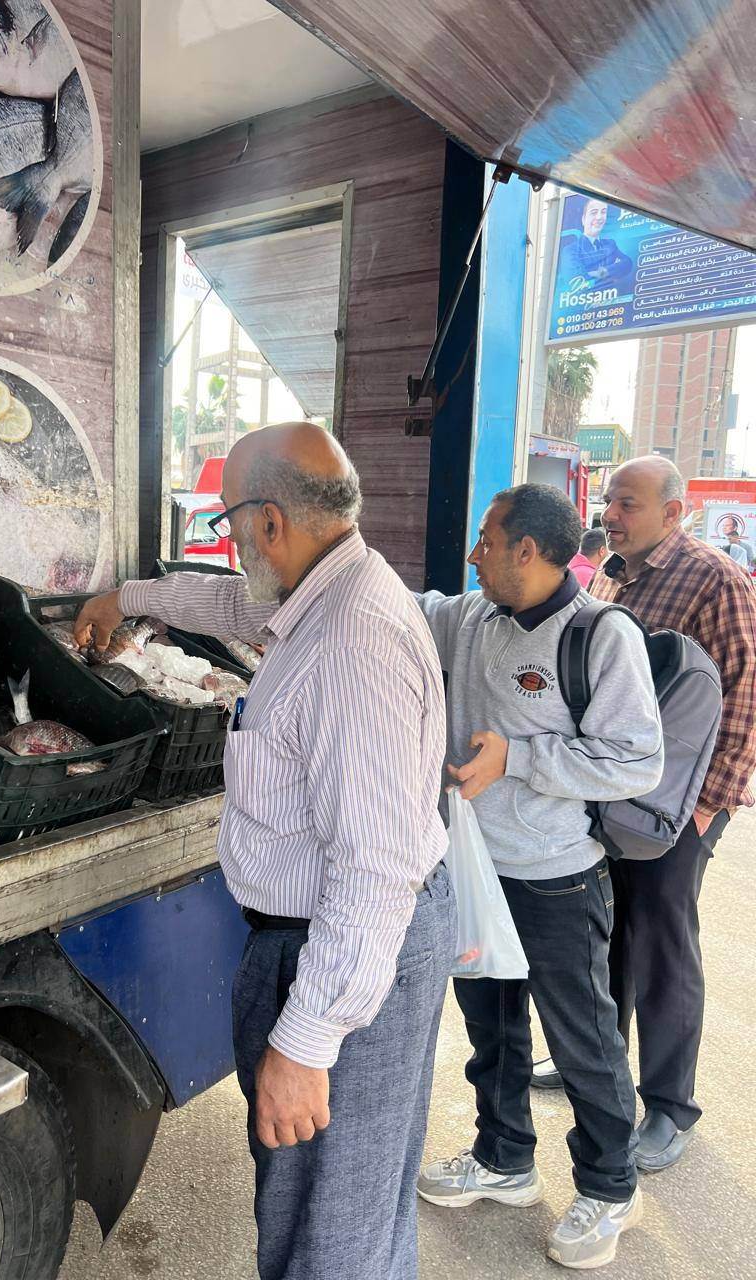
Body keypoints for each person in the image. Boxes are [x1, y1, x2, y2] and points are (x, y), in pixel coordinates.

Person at [75, 423, 457, 1280]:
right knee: (349, 1205)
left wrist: (309, 1039)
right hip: (324, 939)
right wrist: (127, 597)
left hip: (339, 948)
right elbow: (229, 607)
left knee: (328, 1227)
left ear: (271, 523)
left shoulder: (352, 642)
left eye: (228, 523)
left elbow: (374, 869)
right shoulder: (322, 585)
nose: (228, 540)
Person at [414, 484, 663, 1271]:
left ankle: (610, 1186)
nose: (472, 554)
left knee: (582, 1039)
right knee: (491, 1028)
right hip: (475, 867)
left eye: (486, 540)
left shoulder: (599, 635)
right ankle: (504, 1158)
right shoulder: (471, 618)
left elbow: (637, 760)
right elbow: (395, 608)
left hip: (557, 878)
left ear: (526, 550)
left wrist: (517, 758)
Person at [585, 456, 756, 1170]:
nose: (611, 515)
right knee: (609, 929)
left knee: (660, 939)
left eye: (627, 503)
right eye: (609, 500)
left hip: (681, 803)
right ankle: (603, 1067)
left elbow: (746, 692)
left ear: (674, 512)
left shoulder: (715, 578)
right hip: (617, 790)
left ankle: (669, 1104)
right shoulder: (612, 574)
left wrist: (707, 806)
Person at [558, 199, 633, 291]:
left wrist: (601, 272)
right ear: (583, 219)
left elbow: (627, 263)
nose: (599, 217)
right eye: (594, 212)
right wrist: (613, 272)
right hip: (585, 298)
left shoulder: (610, 244)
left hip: (611, 295)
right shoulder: (570, 250)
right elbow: (575, 281)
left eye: (603, 212)